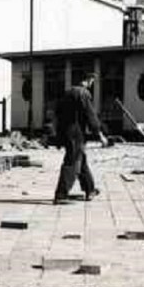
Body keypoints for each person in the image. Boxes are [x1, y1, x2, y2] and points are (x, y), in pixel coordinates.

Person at [53, 72, 108, 204]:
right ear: (88, 80)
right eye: (92, 81)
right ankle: (61, 194)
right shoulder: (83, 94)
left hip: (66, 133)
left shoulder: (66, 94)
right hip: (76, 134)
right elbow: (90, 115)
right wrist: (99, 134)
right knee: (71, 162)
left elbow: (57, 116)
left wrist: (58, 136)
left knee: (81, 160)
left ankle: (90, 189)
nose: (92, 84)